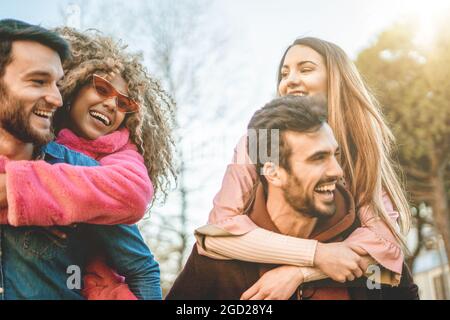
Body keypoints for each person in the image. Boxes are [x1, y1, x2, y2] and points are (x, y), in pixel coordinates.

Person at [195, 37, 412, 299]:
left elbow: (386, 254)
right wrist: (316, 254)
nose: (290, 79)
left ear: (336, 79)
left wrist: (299, 273)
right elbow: (216, 232)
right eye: (284, 73)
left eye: (305, 69)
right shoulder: (261, 141)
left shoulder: (361, 146)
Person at [167, 96, 418, 300]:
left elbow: (396, 288)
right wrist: (317, 256)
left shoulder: (366, 250)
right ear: (273, 173)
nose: (338, 171)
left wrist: (301, 272)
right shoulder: (217, 266)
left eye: (335, 155)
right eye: (318, 158)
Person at [0, 20, 174, 300]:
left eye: (124, 104)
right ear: (74, 87)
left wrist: (29, 192)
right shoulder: (39, 137)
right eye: (102, 89)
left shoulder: (112, 154)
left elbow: (133, 195)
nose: (110, 104)